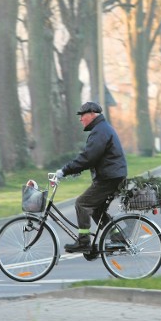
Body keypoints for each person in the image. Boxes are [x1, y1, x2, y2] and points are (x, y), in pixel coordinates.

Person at [55, 101, 127, 252]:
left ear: (92, 114)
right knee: (96, 210)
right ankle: (118, 238)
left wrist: (65, 170)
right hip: (113, 176)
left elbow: (89, 157)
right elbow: (94, 157)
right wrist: (77, 169)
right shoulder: (102, 129)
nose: (81, 119)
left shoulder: (100, 131)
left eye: (82, 115)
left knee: (82, 203)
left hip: (109, 178)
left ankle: (84, 242)